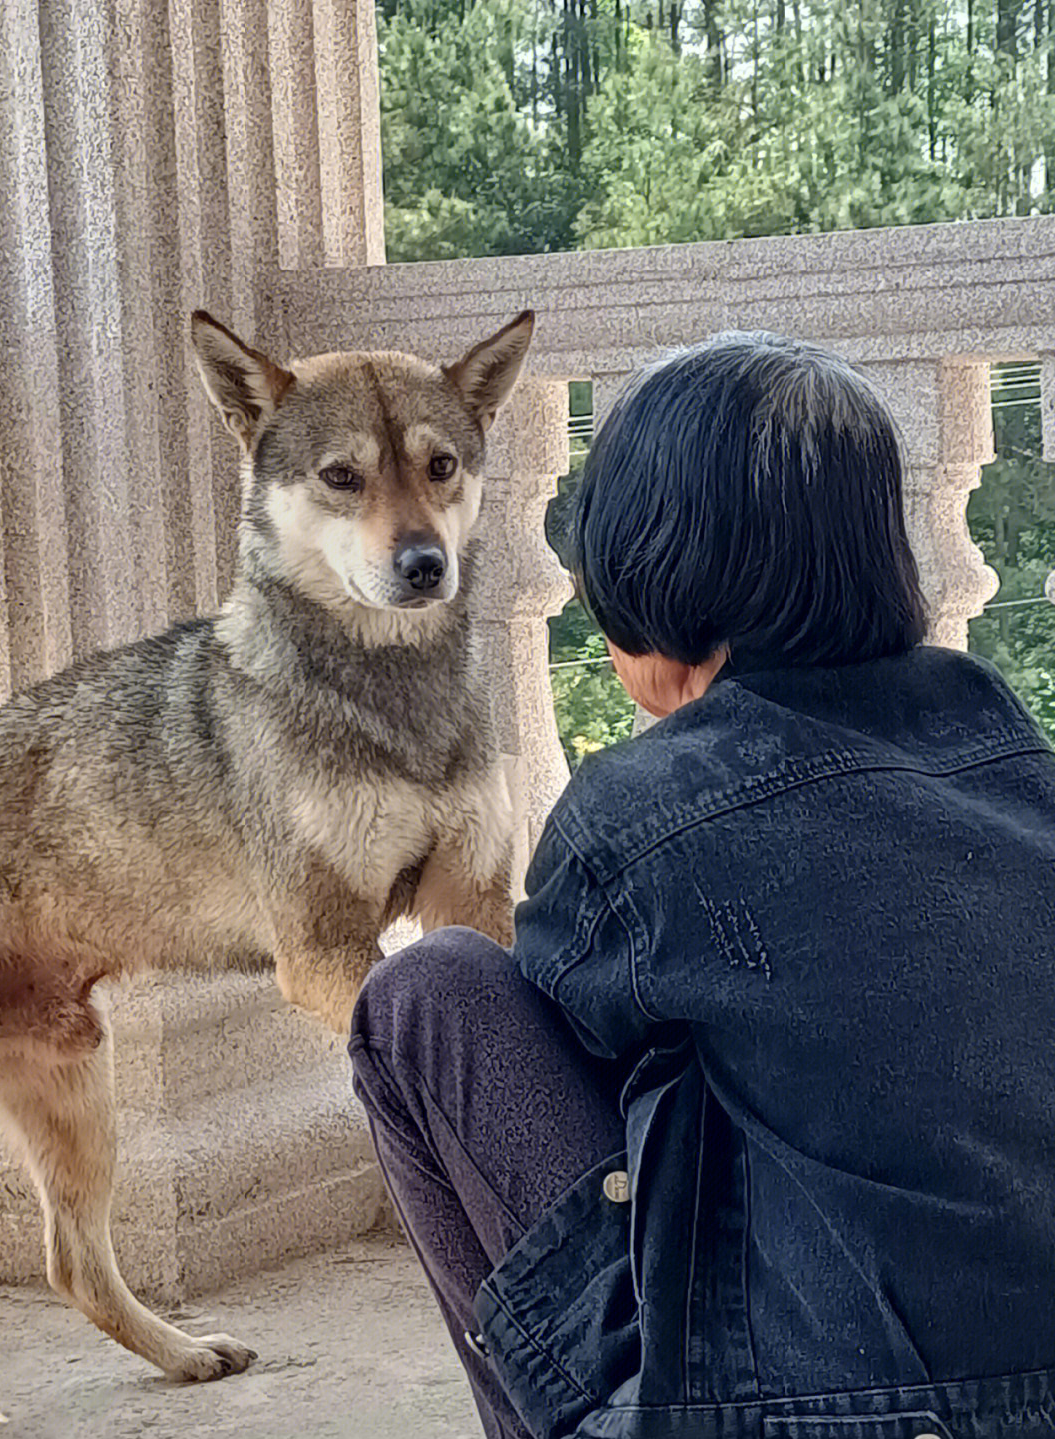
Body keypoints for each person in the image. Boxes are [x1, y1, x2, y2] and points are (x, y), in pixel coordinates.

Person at [348, 333, 1055, 1439]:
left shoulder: (645, 808)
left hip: (821, 1412)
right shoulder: (1018, 758)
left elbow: (567, 1054)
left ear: (644, 587)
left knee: (424, 997)